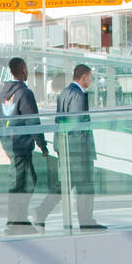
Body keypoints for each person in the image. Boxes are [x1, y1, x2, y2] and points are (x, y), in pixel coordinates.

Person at [0, 58, 53, 235]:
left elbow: (1, 119)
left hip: (10, 142)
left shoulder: (4, 92)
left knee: (25, 180)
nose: (27, 71)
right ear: (22, 70)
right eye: (26, 68)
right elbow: (33, 121)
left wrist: (4, 142)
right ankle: (15, 221)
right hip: (20, 144)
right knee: (23, 182)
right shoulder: (24, 93)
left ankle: (18, 219)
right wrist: (42, 144)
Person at [54, 63, 104, 229]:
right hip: (78, 150)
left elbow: (59, 120)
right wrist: (84, 151)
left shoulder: (65, 92)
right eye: (90, 77)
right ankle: (86, 220)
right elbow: (78, 125)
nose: (91, 81)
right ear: (84, 77)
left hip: (66, 147)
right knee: (85, 185)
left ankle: (42, 211)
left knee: (66, 184)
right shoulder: (79, 96)